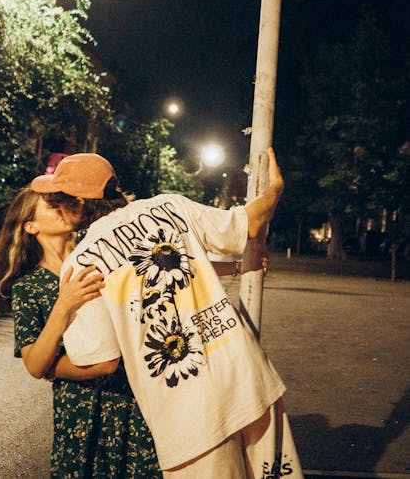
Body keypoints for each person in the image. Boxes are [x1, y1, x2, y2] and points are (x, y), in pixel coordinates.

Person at [31, 149, 304, 478]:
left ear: (74, 202)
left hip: (188, 417)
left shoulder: (81, 263)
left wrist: (50, 368)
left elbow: (101, 361)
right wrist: (274, 189)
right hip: (247, 380)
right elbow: (249, 223)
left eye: (58, 200)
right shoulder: (170, 206)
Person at [0, 187, 162, 479]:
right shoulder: (29, 287)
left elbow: (159, 264)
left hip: (135, 399)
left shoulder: (99, 253)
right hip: (81, 412)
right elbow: (35, 364)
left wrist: (237, 265)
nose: (63, 207)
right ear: (31, 226)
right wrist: (63, 305)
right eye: (51, 205)